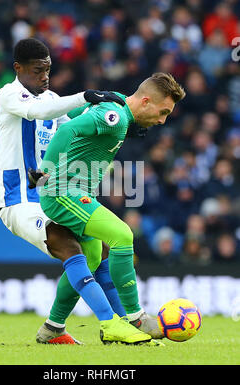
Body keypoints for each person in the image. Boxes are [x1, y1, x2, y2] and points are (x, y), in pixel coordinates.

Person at [0, 38, 155, 346]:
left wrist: (127, 120)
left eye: (48, 70)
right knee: (69, 246)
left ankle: (55, 328)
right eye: (38, 70)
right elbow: (39, 113)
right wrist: (84, 95)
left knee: (100, 252)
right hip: (19, 201)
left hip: (50, 194)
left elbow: (80, 119)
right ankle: (110, 323)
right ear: (19, 69)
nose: (45, 76)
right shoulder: (10, 95)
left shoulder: (53, 99)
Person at [37, 72, 185, 344]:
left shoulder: (116, 110)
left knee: (91, 260)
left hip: (78, 192)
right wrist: (44, 170)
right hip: (62, 192)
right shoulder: (113, 117)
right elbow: (68, 129)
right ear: (145, 101)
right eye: (162, 112)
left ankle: (53, 327)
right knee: (122, 235)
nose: (163, 120)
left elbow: (72, 115)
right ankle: (135, 317)